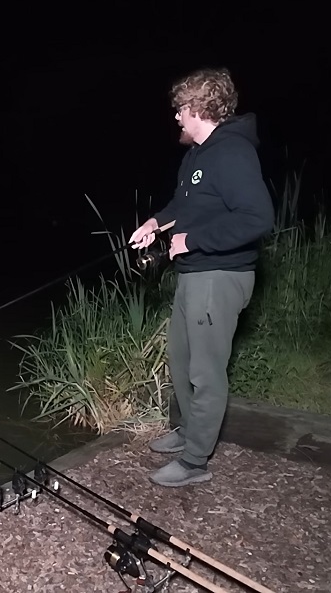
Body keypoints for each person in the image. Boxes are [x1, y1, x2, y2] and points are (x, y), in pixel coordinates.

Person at [129, 67, 275, 488]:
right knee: (181, 358)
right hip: (194, 274)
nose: (176, 117)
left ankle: (196, 462)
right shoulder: (197, 154)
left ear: (198, 109)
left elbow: (258, 217)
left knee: (206, 371)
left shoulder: (232, 153)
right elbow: (184, 203)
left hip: (219, 276)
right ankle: (189, 431)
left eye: (180, 109)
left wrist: (192, 241)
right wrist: (157, 222)